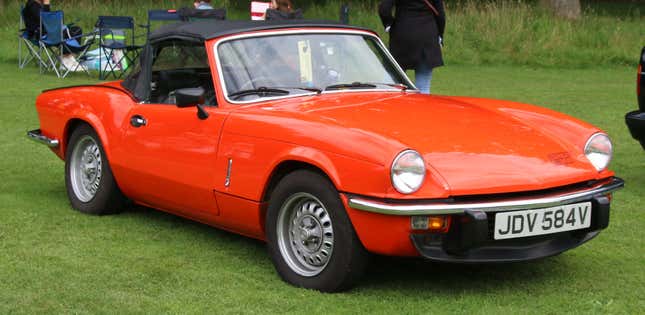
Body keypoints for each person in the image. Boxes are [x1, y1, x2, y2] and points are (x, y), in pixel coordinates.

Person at [379, 0, 445, 94]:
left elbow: (384, 8)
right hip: (427, 36)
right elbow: (441, 15)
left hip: (402, 35)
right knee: (423, 87)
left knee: (392, 85)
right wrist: (440, 35)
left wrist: (389, 25)